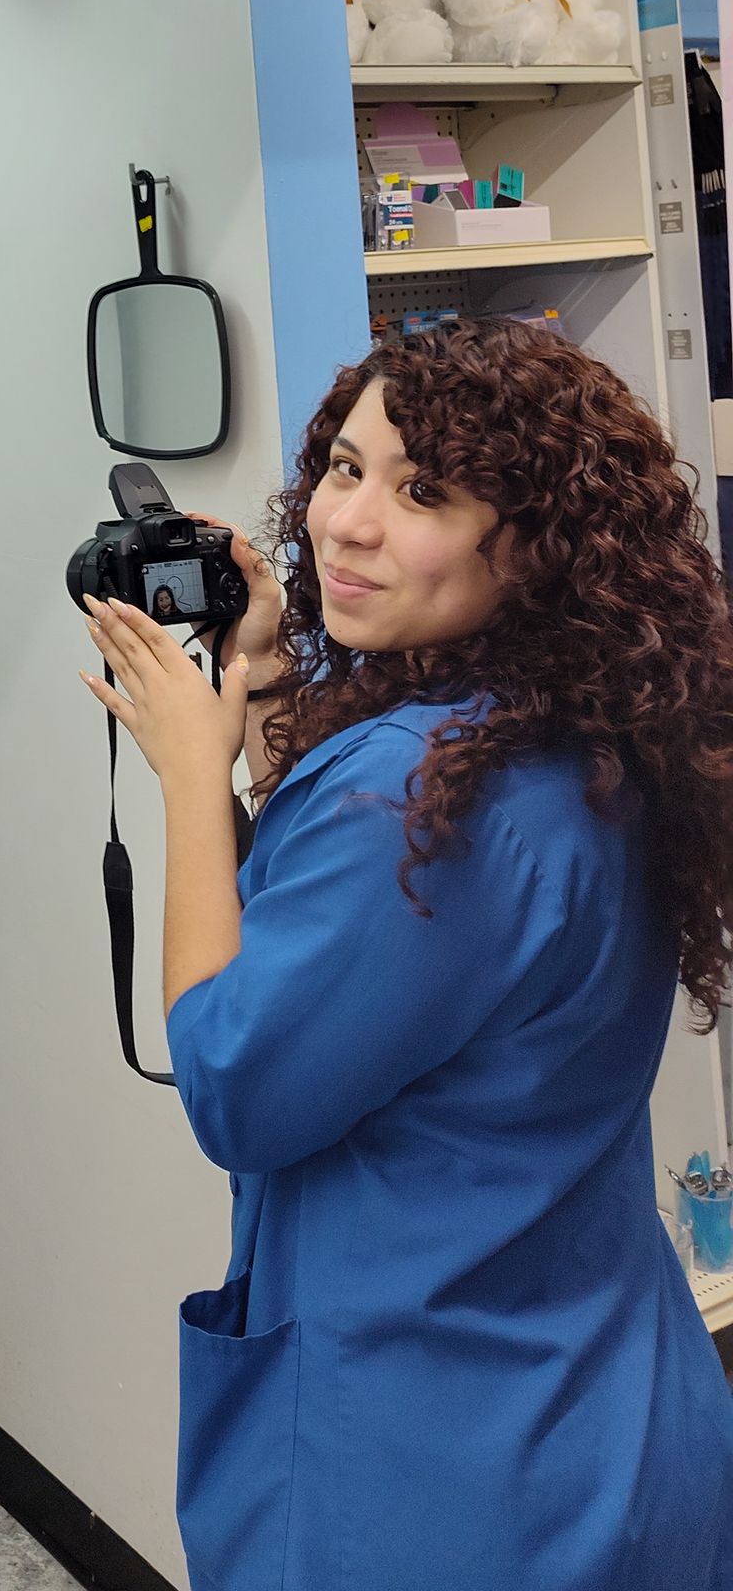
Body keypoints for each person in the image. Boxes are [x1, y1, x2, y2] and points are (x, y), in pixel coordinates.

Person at [79, 320, 733, 1591]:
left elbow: (231, 1080)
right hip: (605, 1413)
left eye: (424, 490)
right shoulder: (579, 737)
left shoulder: (411, 795)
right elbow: (356, 938)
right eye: (346, 468)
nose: (347, 523)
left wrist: (183, 776)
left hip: (439, 1476)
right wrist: (265, 686)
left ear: (541, 544)